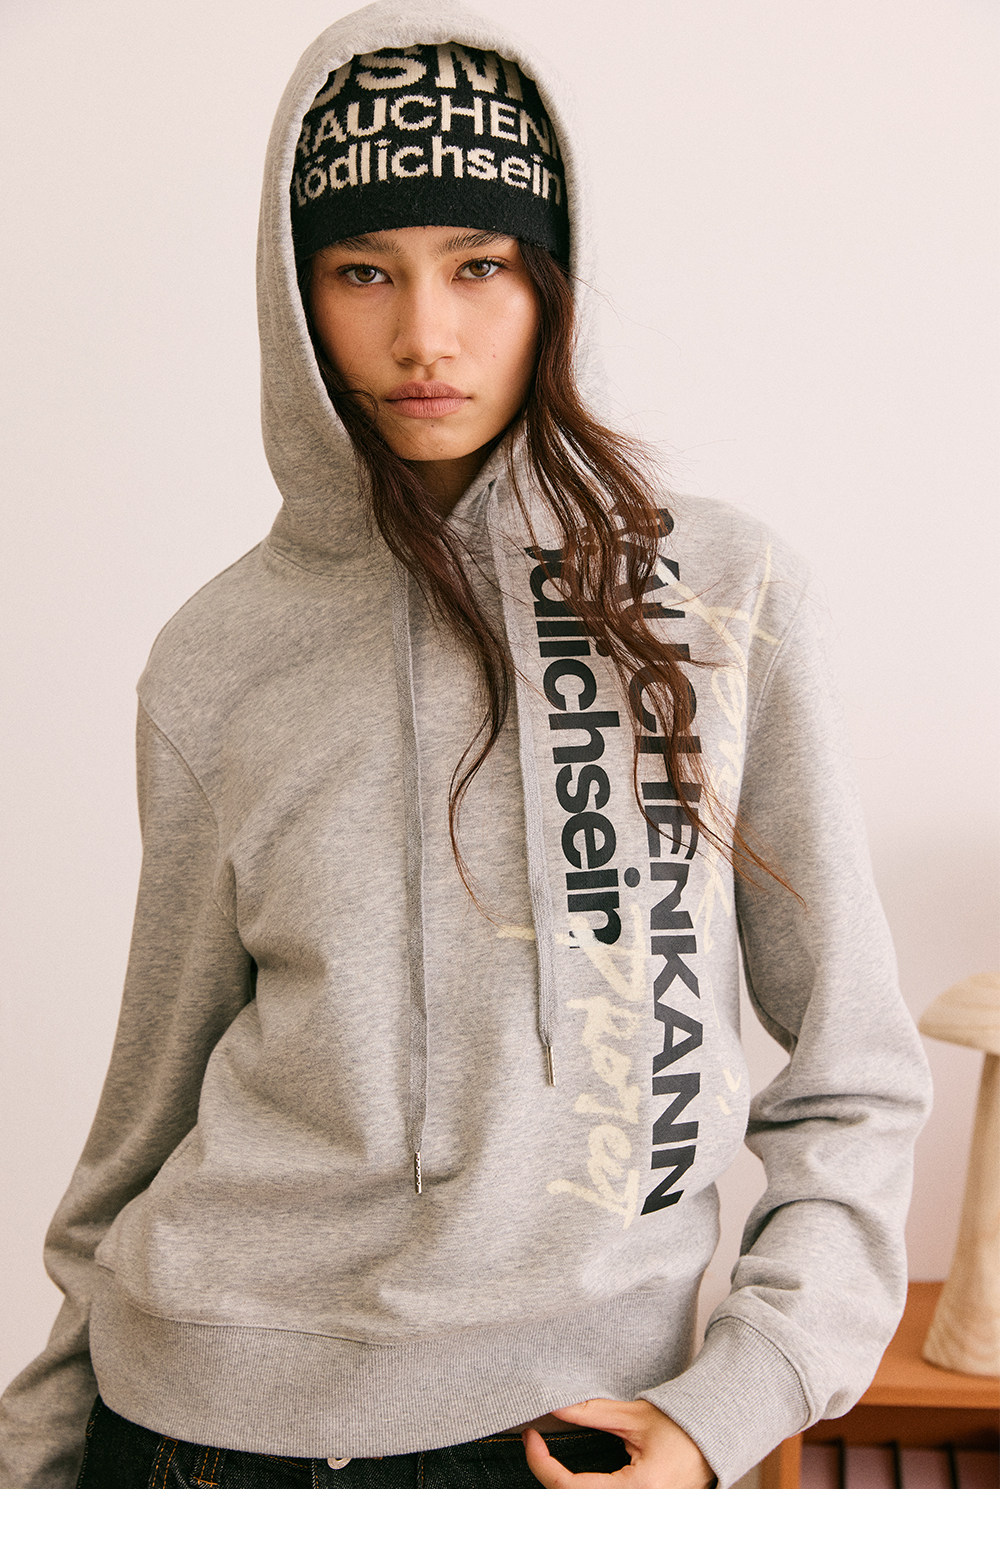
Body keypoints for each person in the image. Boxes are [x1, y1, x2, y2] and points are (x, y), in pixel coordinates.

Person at [0, 0, 931, 1490]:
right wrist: (35, 1461)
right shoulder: (217, 653)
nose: (423, 336)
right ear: (296, 297)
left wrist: (737, 1398)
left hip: (562, 1444)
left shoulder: (715, 600)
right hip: (190, 1432)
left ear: (551, 285)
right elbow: (146, 1111)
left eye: (479, 266)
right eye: (363, 271)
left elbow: (852, 1078)